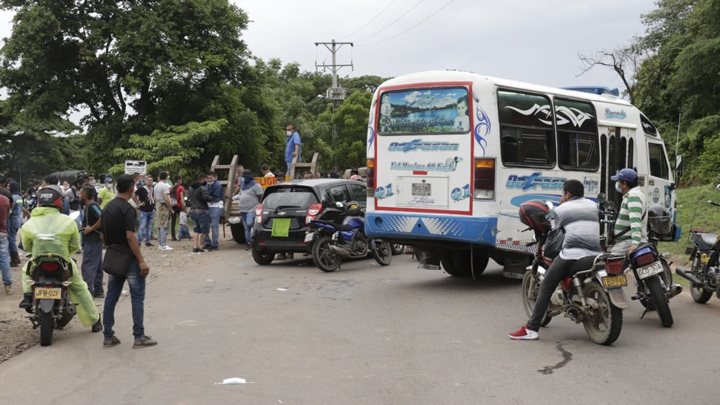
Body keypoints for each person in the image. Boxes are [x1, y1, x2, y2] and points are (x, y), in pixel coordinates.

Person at [509, 179, 602, 340]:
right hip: (595, 254)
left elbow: (552, 232)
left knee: (546, 286)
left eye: (563, 194)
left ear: (568, 194)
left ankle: (531, 329)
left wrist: (560, 206)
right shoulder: (592, 205)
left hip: (572, 256)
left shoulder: (562, 209)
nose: (562, 196)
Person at [18, 186, 101, 332]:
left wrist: (37, 251)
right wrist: (65, 254)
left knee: (26, 272)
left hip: (38, 262)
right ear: (59, 202)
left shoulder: (30, 223)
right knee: (81, 289)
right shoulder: (68, 222)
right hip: (62, 263)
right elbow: (75, 245)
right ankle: (95, 321)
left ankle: (27, 296)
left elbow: (27, 246)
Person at [100, 174, 156, 348]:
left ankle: (108, 336)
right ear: (132, 189)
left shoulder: (107, 207)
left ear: (116, 188)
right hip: (129, 258)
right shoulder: (128, 209)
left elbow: (103, 235)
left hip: (114, 257)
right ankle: (139, 336)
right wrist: (141, 260)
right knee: (137, 298)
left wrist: (111, 247)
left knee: (111, 297)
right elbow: (131, 236)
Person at [610, 168, 648, 257]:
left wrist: (635, 244)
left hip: (628, 242)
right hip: (628, 241)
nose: (617, 184)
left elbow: (635, 221)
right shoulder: (636, 194)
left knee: (610, 265)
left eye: (618, 181)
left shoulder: (633, 196)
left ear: (624, 184)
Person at [232, 170, 263, 251]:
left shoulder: (256, 185)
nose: (242, 178)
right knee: (246, 228)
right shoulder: (243, 185)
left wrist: (259, 206)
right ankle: (248, 243)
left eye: (243, 177)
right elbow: (241, 194)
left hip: (252, 209)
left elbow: (261, 196)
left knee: (250, 224)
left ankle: (254, 240)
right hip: (243, 210)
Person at [188, 174, 213, 253]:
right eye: (206, 179)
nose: (207, 181)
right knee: (204, 230)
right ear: (202, 179)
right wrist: (212, 198)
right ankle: (201, 246)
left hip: (193, 210)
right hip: (202, 210)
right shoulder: (202, 188)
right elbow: (206, 198)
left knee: (196, 229)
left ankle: (195, 246)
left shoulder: (190, 188)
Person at [154, 171, 173, 251]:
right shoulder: (164, 186)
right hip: (163, 205)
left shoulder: (156, 185)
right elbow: (166, 198)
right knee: (164, 225)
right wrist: (170, 208)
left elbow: (155, 198)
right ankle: (164, 244)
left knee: (159, 224)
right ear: (166, 177)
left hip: (158, 204)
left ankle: (160, 244)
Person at [7, 180, 24, 267]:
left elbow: (10, 211)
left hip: (12, 221)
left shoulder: (13, 197)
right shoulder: (19, 196)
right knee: (12, 239)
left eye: (9, 186)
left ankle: (14, 260)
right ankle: (16, 258)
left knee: (12, 240)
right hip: (17, 220)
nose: (8, 187)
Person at [204, 172, 223, 250]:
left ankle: (215, 244)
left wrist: (209, 198)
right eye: (208, 178)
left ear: (215, 177)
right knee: (206, 225)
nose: (209, 179)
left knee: (214, 225)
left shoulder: (217, 185)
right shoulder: (207, 185)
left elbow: (216, 197)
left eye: (211, 178)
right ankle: (207, 242)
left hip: (216, 206)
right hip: (209, 206)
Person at [135, 175, 155, 247]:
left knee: (149, 226)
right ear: (145, 181)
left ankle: (147, 241)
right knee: (142, 226)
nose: (149, 181)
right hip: (144, 210)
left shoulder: (152, 189)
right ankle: (139, 241)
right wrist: (138, 203)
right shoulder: (142, 188)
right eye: (148, 180)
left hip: (151, 209)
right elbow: (134, 195)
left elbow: (153, 197)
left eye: (151, 180)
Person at [0, 191, 12, 294]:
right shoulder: (5, 200)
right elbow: (7, 215)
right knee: (4, 259)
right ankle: (7, 286)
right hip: (2, 232)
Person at [170, 175, 185, 241]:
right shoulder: (180, 187)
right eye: (181, 180)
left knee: (173, 221)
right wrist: (183, 205)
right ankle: (182, 234)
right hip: (179, 205)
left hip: (173, 205)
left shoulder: (170, 188)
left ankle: (173, 236)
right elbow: (181, 197)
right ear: (179, 180)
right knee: (183, 220)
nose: (181, 181)